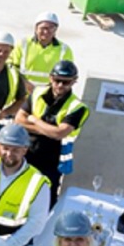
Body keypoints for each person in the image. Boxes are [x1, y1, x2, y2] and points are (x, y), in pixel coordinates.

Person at [15, 60, 89, 205]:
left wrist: (34, 120)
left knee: (44, 199)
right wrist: (48, 130)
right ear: (50, 78)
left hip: (52, 161)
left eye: (66, 82)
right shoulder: (37, 93)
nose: (60, 85)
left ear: (74, 81)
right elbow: (18, 121)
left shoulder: (77, 107)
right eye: (57, 80)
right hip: (27, 152)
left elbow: (59, 134)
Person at [10, 12, 74, 88]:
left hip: (50, 92)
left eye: (51, 28)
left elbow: (67, 74)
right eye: (43, 28)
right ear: (36, 28)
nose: (46, 32)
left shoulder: (65, 50)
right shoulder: (23, 44)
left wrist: (49, 89)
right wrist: (25, 84)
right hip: (22, 89)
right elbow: (12, 66)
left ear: (56, 30)